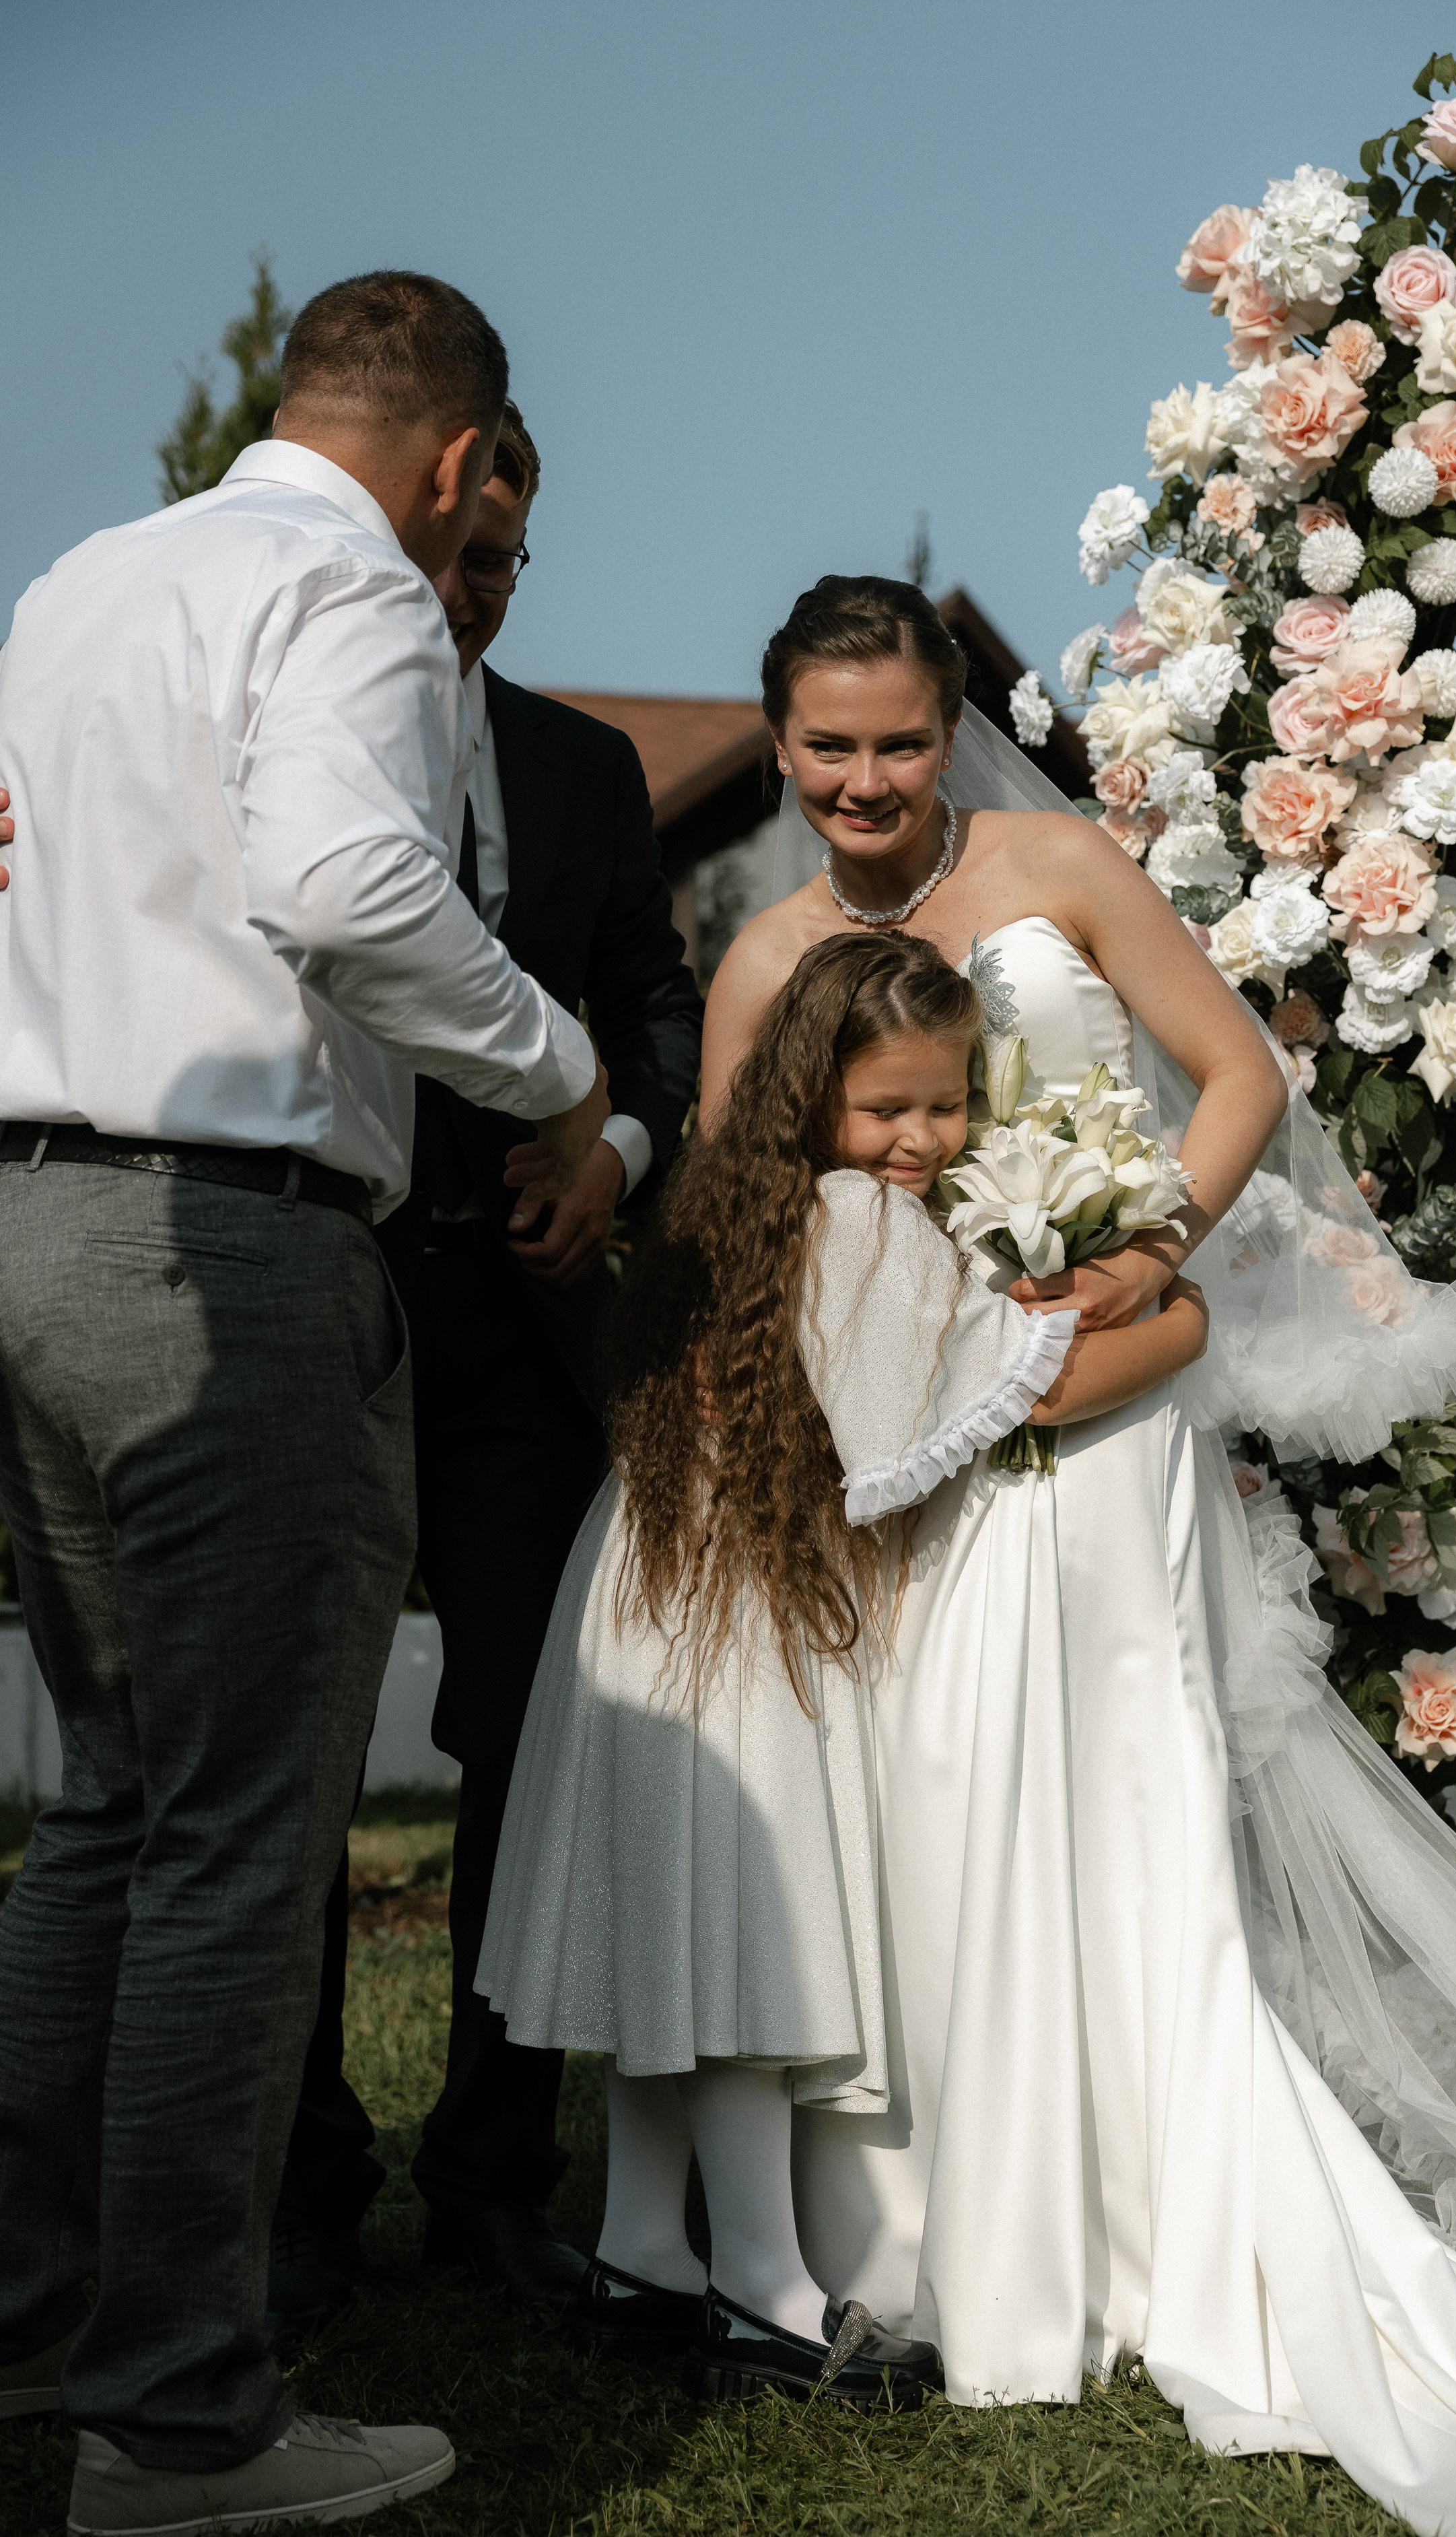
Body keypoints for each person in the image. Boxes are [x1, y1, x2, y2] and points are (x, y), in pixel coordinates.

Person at [699, 576, 1456, 2536]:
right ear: (778, 742)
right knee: (956, 1796)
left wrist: (1143, 1248)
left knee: (1125, 1778)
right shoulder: (767, 956)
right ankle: (989, 2233)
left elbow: (1242, 1074)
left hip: (1115, 1404)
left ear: (947, 723)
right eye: (829, 745)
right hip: (915, 1450)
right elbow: (737, 1223)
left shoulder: (1062, 859)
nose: (869, 778)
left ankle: (1172, 2206)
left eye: (901, 736)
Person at [0, 271, 611, 2535]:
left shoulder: (84, 582)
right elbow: (345, 879)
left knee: (115, 1813)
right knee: (242, 1847)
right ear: (456, 466)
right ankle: (177, 2427)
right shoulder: (341, 579)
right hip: (231, 1253)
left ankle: (37, 2337)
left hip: (33, 1225)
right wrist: (555, 1073)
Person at [476, 928, 1210, 2404]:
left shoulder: (726, 1215)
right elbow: (990, 1408)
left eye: (945, 1107)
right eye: (888, 1109)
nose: (921, 1140)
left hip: (641, 1590)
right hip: (747, 1622)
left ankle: (638, 2250)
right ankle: (761, 2283)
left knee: (669, 1930)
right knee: (754, 1945)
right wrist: (1180, 1321)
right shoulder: (870, 1230)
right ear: (812, 1097)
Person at [269, 402, 703, 2337]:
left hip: (532, 1339)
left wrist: (607, 1153)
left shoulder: (589, 769)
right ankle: (291, 2186)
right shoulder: (280, 727)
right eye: (462, 554)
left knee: (532, 1747)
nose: (478, 591)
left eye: (509, 564)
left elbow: (658, 1019)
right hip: (319, 1309)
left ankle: (493, 2184)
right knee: (280, 1758)